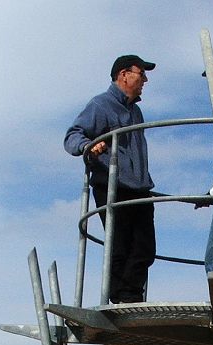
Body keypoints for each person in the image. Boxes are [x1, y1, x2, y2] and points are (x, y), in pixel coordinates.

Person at [64, 55, 157, 304]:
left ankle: (128, 295)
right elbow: (73, 135)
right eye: (141, 73)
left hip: (139, 187)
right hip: (112, 185)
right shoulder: (101, 105)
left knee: (145, 247)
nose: (145, 79)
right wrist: (88, 147)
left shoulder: (136, 111)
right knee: (120, 245)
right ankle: (122, 296)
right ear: (123, 74)